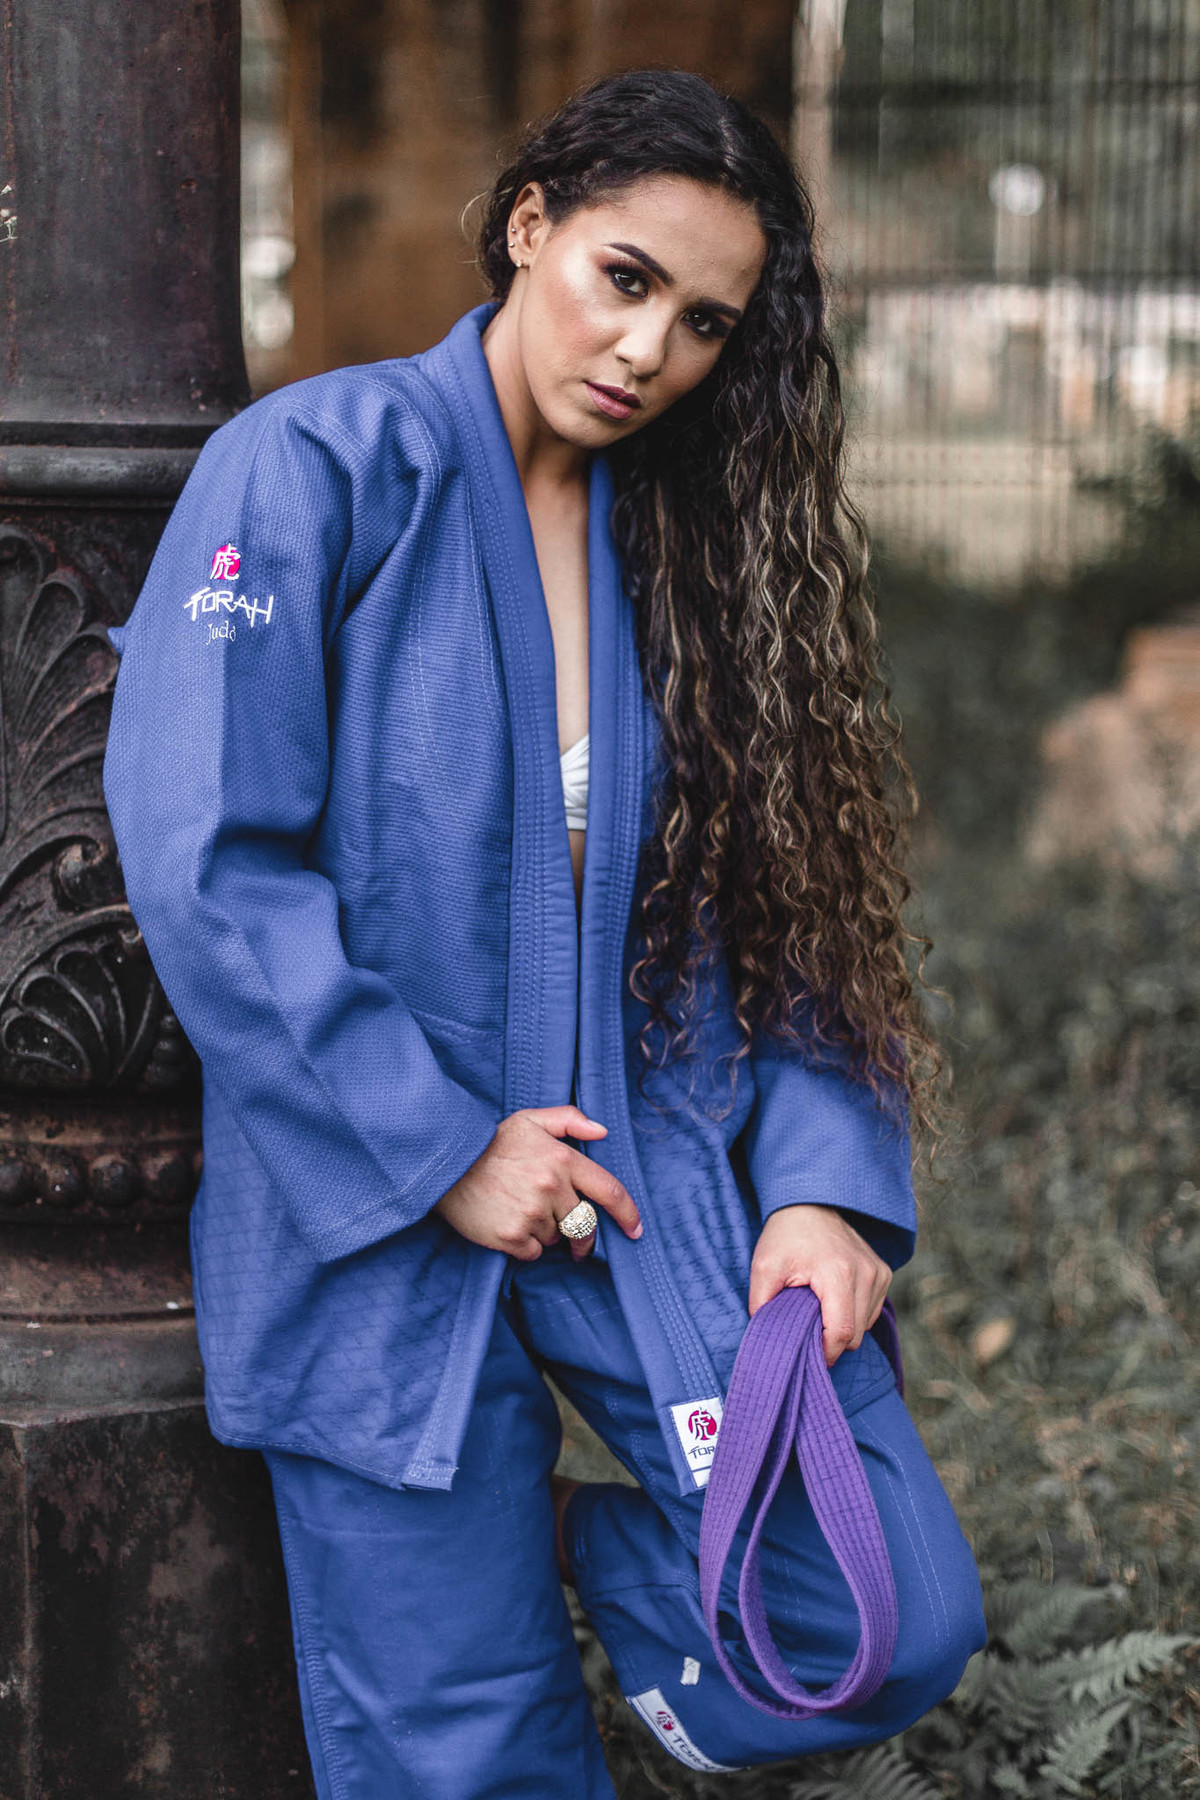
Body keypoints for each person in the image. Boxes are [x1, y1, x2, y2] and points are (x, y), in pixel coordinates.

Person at [102, 66, 987, 1800]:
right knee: (468, 1758)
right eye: (624, 278)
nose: (651, 350)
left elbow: (792, 907)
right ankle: (480, 1586)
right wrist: (440, 1150)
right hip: (377, 1209)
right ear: (531, 227)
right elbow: (212, 857)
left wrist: (823, 1185)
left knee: (873, 1620)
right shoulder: (312, 467)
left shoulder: (697, 545)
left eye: (707, 322)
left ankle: (569, 1552)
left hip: (654, 1182)